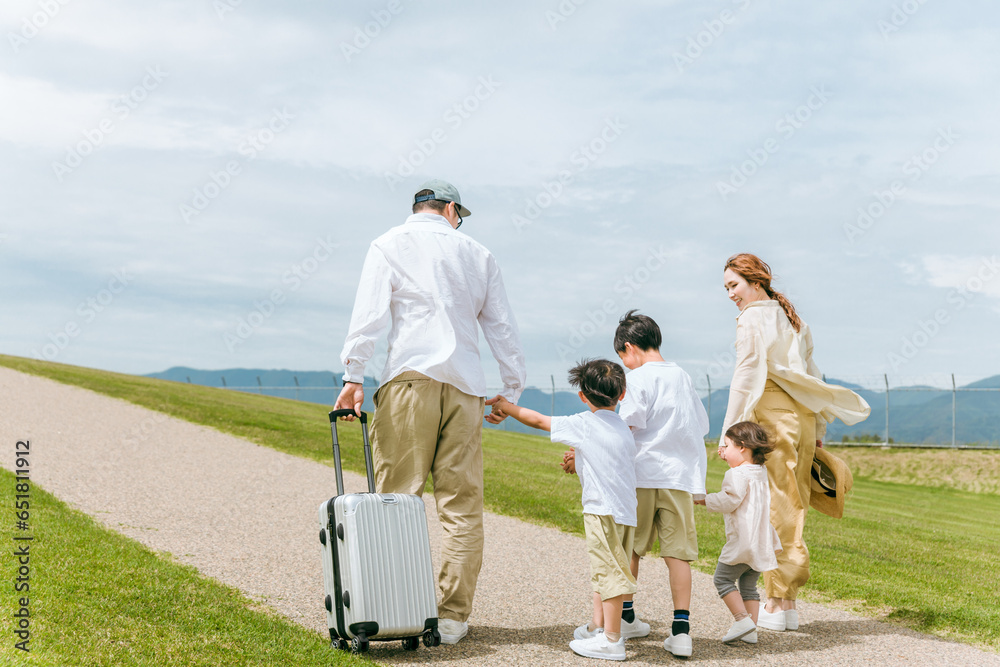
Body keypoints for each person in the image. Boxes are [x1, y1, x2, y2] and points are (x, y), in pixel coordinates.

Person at [334, 179, 526, 645]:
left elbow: (370, 314)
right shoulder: (479, 254)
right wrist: (511, 389)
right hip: (465, 388)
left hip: (409, 378)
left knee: (396, 500)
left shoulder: (388, 243)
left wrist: (353, 375)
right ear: (451, 209)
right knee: (462, 507)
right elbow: (501, 326)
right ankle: (453, 616)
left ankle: (394, 607)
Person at [720, 253, 869, 632]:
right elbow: (812, 375)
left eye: (734, 285)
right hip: (801, 419)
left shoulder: (752, 317)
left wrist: (730, 432)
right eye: (726, 288)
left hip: (771, 415)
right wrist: (818, 429)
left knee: (773, 505)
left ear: (756, 282)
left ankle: (775, 599)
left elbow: (747, 372)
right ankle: (785, 603)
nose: (730, 294)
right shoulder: (794, 319)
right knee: (793, 502)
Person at [489, 359, 637, 662]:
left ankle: (611, 640)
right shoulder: (622, 427)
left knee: (609, 576)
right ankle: (599, 627)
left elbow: (539, 420)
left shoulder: (584, 423)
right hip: (625, 514)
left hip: (601, 512)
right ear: (622, 394)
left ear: (583, 395)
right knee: (607, 571)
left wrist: (507, 406)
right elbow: (609, 463)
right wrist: (578, 461)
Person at [612, 310, 709, 658]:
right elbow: (700, 424)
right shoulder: (682, 376)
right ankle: (681, 631)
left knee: (631, 549)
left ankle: (625, 619)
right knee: (678, 554)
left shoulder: (637, 377)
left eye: (622, 357)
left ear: (629, 348)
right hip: (678, 478)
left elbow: (629, 423)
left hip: (641, 474)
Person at [695, 421, 781, 645]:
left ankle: (742, 619)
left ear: (742, 446)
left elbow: (729, 500)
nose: (723, 451)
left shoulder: (737, 474)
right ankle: (750, 631)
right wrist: (727, 453)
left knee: (722, 579)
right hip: (762, 540)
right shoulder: (760, 471)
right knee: (748, 585)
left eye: (727, 446)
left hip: (745, 540)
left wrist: (704, 499)